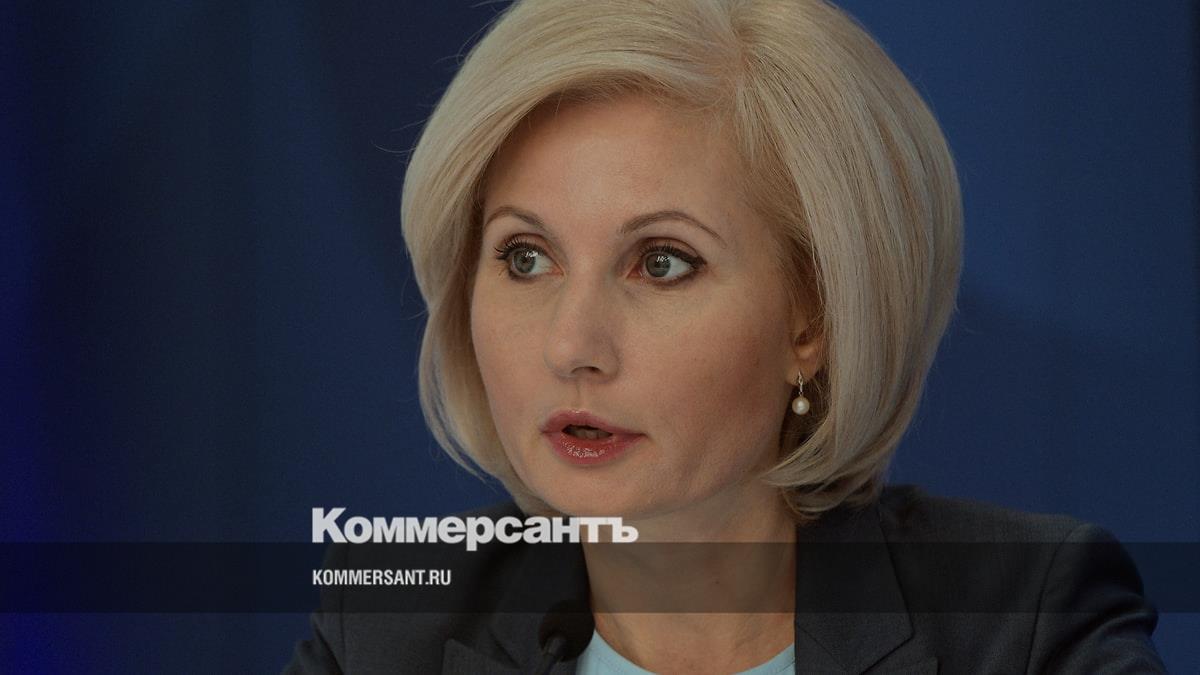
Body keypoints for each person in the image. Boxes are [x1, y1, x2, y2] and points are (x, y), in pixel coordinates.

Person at [286, 0, 1166, 672]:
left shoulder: (1027, 621)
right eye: (525, 257)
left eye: (661, 262)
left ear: (812, 320)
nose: (571, 345)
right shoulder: (387, 623)